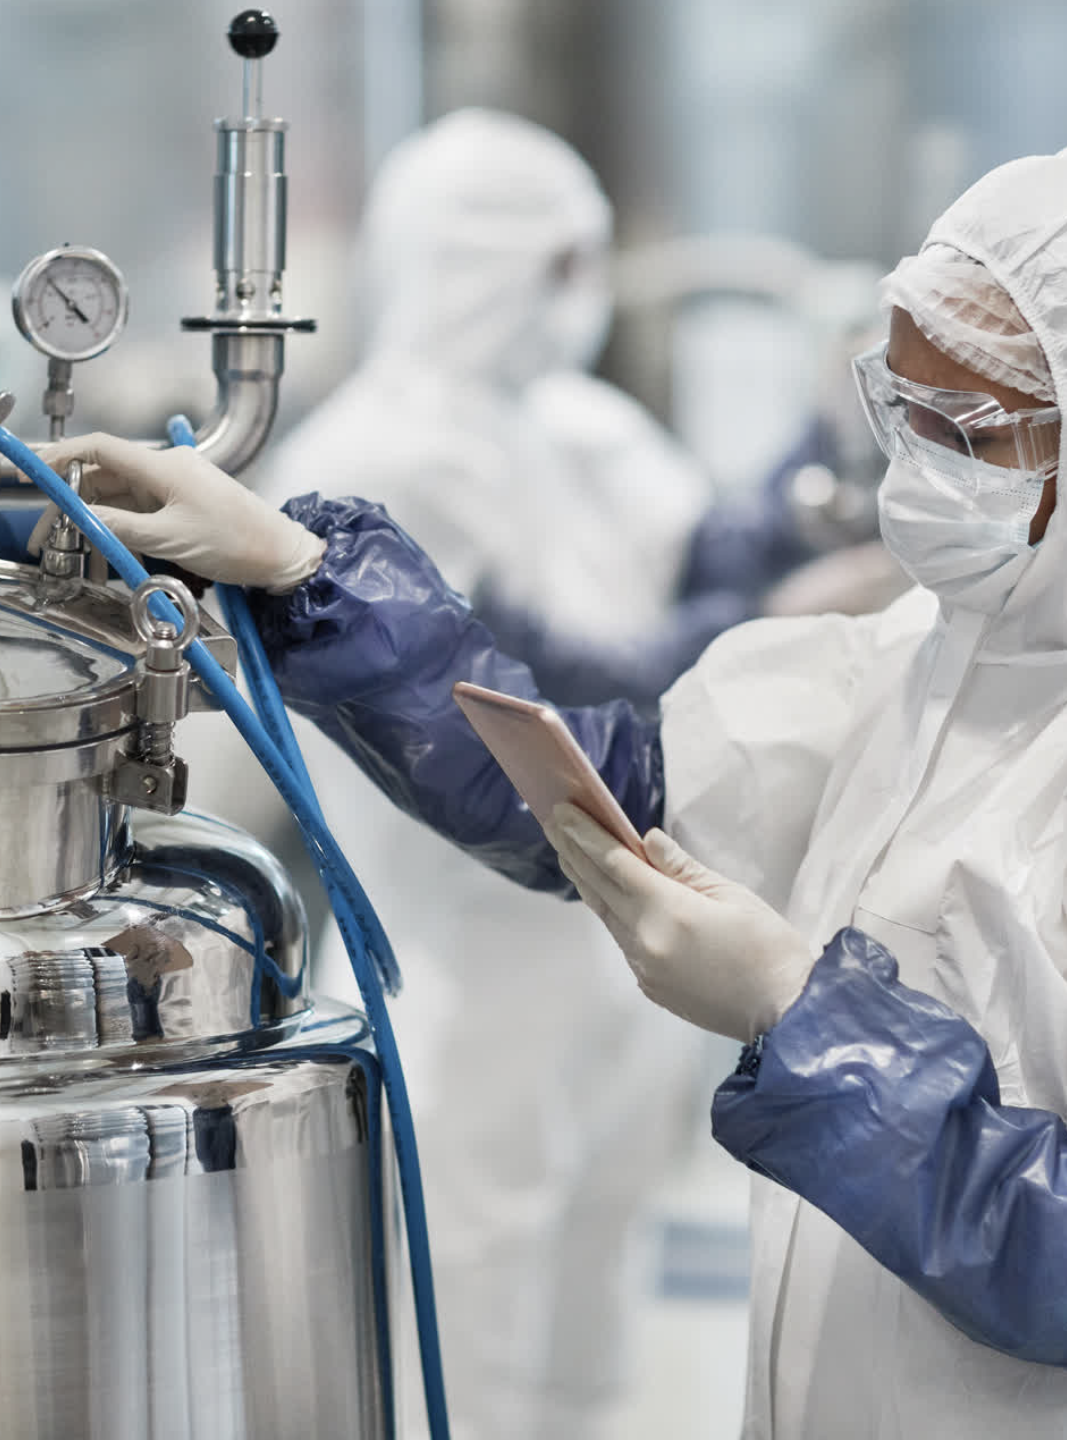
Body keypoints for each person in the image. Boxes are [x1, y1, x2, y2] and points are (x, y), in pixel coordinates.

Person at [52, 139, 1067, 1438]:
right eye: (899, 407)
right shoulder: (929, 663)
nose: (913, 464)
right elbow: (601, 790)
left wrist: (803, 1019)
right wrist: (299, 570)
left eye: (963, 427)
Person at [248, 108, 815, 1439]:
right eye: (561, 264)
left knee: (590, 1326)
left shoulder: (574, 425)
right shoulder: (376, 455)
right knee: (468, 1332)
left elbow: (705, 575)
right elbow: (512, 697)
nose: (584, 300)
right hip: (456, 967)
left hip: (608, 965)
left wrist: (809, 493)